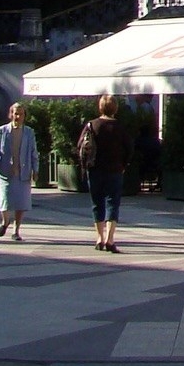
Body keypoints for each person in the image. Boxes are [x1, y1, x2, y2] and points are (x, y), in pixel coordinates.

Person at [81, 94, 134, 253]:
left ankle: (99, 237)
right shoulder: (119, 127)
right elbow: (129, 148)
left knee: (97, 203)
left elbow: (80, 145)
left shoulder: (92, 125)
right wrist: (124, 164)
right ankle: (110, 239)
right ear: (115, 109)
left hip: (95, 169)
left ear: (100, 107)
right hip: (115, 170)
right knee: (113, 203)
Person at [0, 102, 38, 240]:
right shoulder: (2, 131)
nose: (18, 116)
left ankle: (16, 230)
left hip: (23, 172)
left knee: (21, 203)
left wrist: (35, 169)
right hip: (6, 171)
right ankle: (5, 221)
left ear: (24, 116)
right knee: (4, 201)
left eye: (21, 114)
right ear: (11, 114)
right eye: (16, 113)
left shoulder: (29, 132)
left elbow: (34, 152)